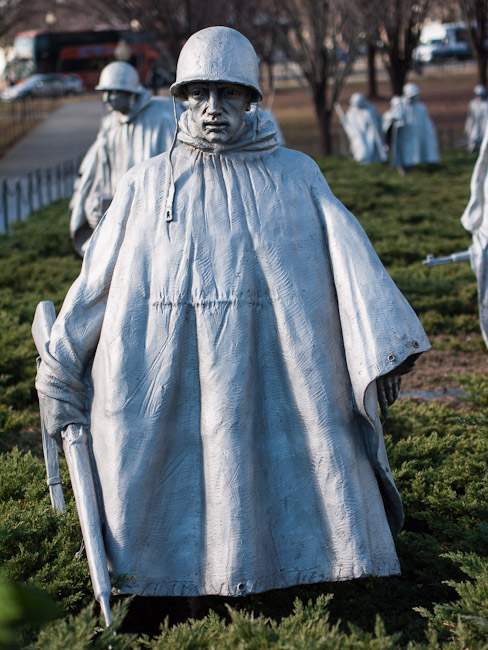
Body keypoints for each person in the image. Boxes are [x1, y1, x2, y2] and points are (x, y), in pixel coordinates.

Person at [36, 27, 430, 601]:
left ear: (252, 99)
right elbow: (94, 284)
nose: (213, 109)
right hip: (164, 378)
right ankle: (164, 592)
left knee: (288, 478)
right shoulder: (147, 185)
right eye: (199, 95)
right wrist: (61, 366)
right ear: (181, 99)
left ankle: (298, 583)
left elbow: (353, 268)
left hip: (277, 379)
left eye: (228, 94)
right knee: (171, 495)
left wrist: (382, 348)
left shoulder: (297, 177)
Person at [69, 61, 183, 255]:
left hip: (153, 219)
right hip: (117, 216)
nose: (107, 99)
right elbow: (96, 171)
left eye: (113, 92)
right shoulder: (110, 125)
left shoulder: (162, 119)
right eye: (104, 93)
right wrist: (91, 204)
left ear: (131, 93)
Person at [382, 83, 440, 173]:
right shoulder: (401, 105)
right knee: (406, 152)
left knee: (419, 150)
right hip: (406, 135)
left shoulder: (421, 107)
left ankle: (427, 168)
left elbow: (427, 123)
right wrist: (394, 118)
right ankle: (405, 168)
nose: (415, 98)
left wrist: (429, 134)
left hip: (418, 133)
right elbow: (389, 116)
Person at [339, 92, 387, 164]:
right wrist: (345, 123)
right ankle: (361, 165)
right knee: (361, 150)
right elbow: (349, 126)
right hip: (358, 135)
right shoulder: (351, 112)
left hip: (370, 134)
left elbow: (376, 123)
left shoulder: (370, 110)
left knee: (370, 150)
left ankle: (371, 164)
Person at [464, 85, 488, 153]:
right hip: (476, 127)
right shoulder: (473, 104)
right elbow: (470, 118)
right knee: (473, 143)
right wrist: (467, 128)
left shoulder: (486, 104)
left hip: (485, 127)